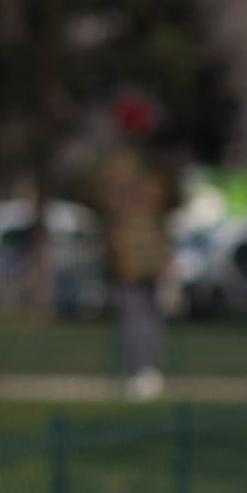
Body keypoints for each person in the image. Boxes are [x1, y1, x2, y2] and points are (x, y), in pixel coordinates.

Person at [93, 95, 173, 398]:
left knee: (135, 313)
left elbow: (98, 198)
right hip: (149, 250)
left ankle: (140, 370)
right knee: (147, 313)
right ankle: (148, 368)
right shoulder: (154, 165)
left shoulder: (116, 166)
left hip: (128, 250)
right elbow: (170, 198)